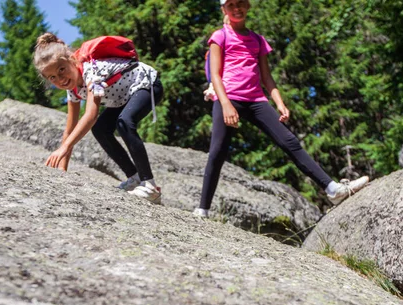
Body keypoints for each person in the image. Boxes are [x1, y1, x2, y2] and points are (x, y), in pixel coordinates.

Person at [194, 0, 369, 218]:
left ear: (247, 6)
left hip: (256, 100)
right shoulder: (220, 36)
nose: (236, 8)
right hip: (228, 98)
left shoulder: (258, 40)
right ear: (224, 10)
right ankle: (202, 210)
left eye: (240, 3)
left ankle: (332, 189)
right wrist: (226, 104)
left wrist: (279, 102)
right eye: (231, 5)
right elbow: (216, 74)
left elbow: (267, 77)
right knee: (218, 151)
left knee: (289, 141)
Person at [33, 33, 163, 204]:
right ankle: (135, 178)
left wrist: (64, 148)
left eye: (61, 69)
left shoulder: (91, 72)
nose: (60, 79)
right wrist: (61, 172)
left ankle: (149, 185)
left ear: (72, 60)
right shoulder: (72, 90)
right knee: (101, 129)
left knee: (124, 122)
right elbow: (69, 129)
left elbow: (91, 115)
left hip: (146, 84)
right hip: (124, 97)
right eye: (53, 78)